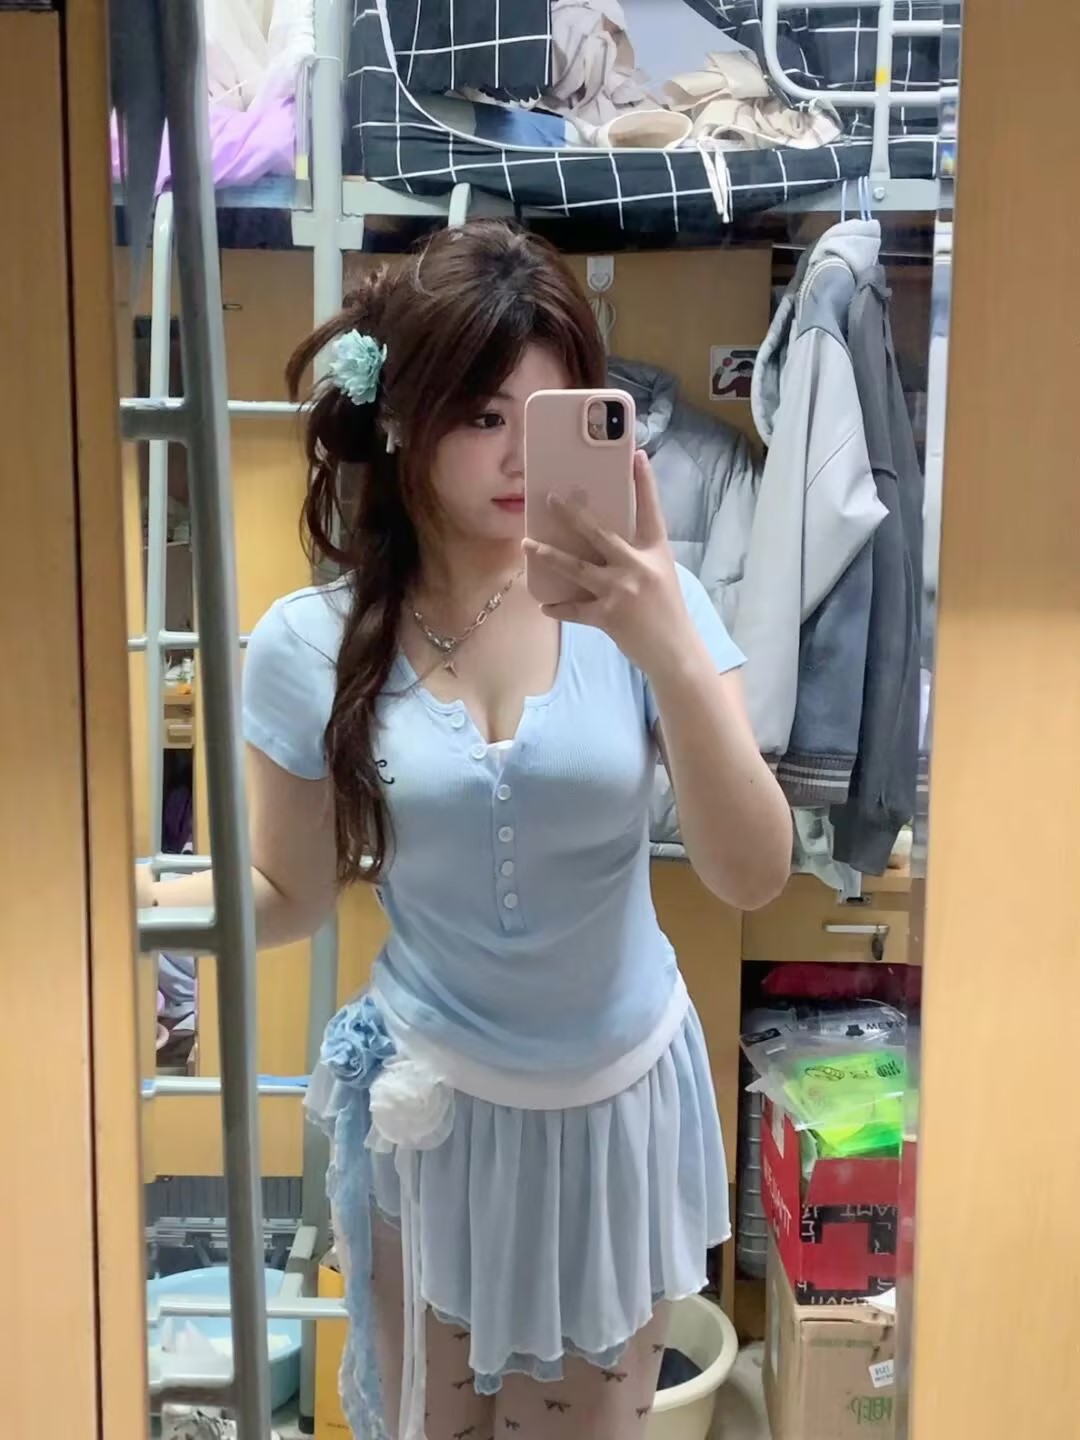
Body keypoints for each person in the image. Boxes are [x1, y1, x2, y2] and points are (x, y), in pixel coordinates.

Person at [139, 221, 792, 1440]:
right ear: (403, 418)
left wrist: (665, 641)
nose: (519, 458)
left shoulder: (654, 608)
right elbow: (289, 890)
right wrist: (122, 907)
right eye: (485, 417)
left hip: (614, 1108)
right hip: (433, 1116)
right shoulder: (308, 644)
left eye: (550, 417)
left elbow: (751, 869)